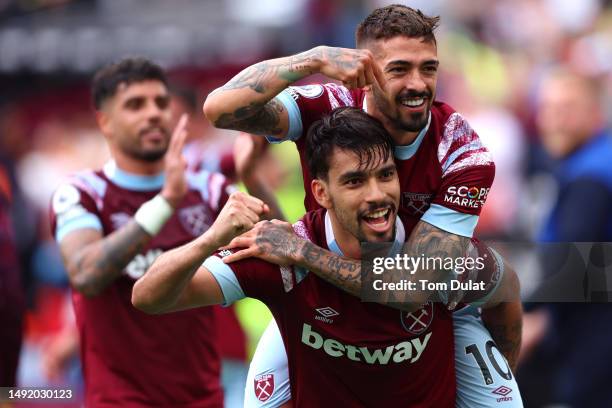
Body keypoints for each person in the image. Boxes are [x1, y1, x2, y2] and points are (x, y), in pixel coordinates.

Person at [204, 4, 522, 407]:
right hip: (322, 298)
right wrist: (312, 59)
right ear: (366, 72)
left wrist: (304, 253)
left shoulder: (463, 152)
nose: (418, 83)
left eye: (429, 68)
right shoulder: (328, 107)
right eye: (399, 69)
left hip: (432, 305)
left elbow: (413, 287)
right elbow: (220, 109)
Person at [133, 107, 519, 407]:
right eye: (354, 181)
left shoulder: (436, 253)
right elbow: (148, 296)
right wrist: (211, 238)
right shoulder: (276, 255)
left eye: (385, 175)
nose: (377, 195)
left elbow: (507, 290)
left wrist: (501, 370)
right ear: (320, 192)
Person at [49, 58, 234, 407]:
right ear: (104, 121)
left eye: (161, 103)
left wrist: (254, 179)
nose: (153, 113)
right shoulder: (82, 193)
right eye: (135, 105)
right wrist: (165, 203)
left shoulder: (210, 190)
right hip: (120, 400)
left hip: (204, 398)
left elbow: (278, 258)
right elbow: (86, 274)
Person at [518, 69, 612, 406]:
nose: (553, 120)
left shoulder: (592, 176)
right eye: (547, 109)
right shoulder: (591, 163)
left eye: (566, 109)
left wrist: (524, 312)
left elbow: (570, 262)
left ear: (595, 113)